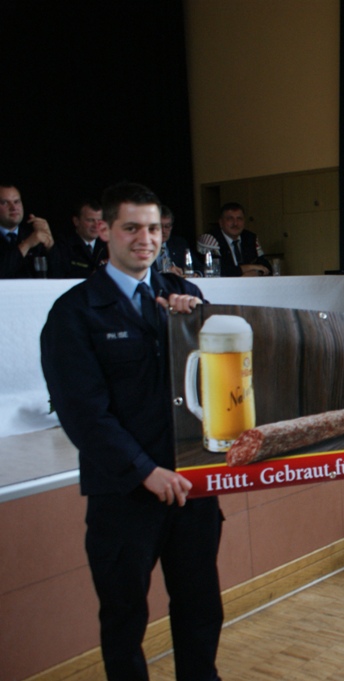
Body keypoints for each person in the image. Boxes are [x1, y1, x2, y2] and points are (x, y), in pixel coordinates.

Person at [40, 182, 223, 680]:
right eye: (131, 228)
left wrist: (194, 325)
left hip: (191, 485)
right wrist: (145, 471)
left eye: (154, 229)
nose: (146, 239)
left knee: (201, 607)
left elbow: (219, 380)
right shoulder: (75, 312)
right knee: (124, 619)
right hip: (124, 494)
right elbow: (84, 414)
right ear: (104, 230)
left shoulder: (186, 295)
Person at [197, 202, 271, 277]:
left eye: (239, 219)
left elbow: (266, 266)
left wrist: (257, 273)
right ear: (221, 222)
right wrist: (250, 268)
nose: (235, 223)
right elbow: (216, 270)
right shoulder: (209, 239)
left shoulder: (251, 238)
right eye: (230, 219)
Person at [0, 183, 54, 278]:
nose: (13, 208)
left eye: (16, 202)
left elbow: (59, 273)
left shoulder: (32, 234)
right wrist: (27, 244)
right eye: (5, 202)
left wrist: (50, 246)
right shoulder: (31, 238)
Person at [49, 199, 109, 278]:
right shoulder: (63, 245)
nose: (96, 225)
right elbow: (59, 275)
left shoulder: (109, 245)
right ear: (76, 221)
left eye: (99, 221)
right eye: (90, 220)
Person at [157, 204, 189, 276]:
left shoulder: (179, 244)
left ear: (171, 227)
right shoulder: (146, 246)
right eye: (160, 226)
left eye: (167, 226)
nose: (163, 231)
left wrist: (197, 273)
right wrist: (166, 272)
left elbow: (199, 267)